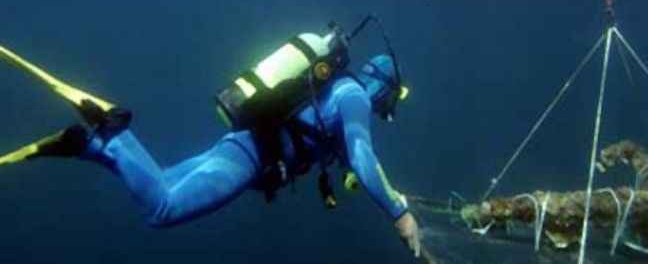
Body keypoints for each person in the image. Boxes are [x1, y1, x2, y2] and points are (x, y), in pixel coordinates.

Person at [2, 31, 422, 258]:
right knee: (162, 209)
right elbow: (364, 155)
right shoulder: (355, 99)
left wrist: (385, 189)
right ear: (385, 87)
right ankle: (113, 131)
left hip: (239, 145)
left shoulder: (337, 92)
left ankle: (88, 146)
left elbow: (350, 157)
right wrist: (398, 213)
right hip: (248, 158)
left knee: (161, 182)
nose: (389, 106)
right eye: (395, 97)